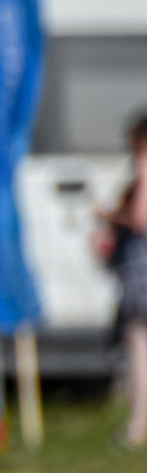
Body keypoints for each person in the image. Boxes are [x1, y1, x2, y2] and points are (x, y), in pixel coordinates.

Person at [97, 111, 147, 450]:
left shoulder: (144, 166)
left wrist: (110, 215)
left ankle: (137, 427)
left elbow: (141, 218)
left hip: (141, 275)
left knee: (139, 351)